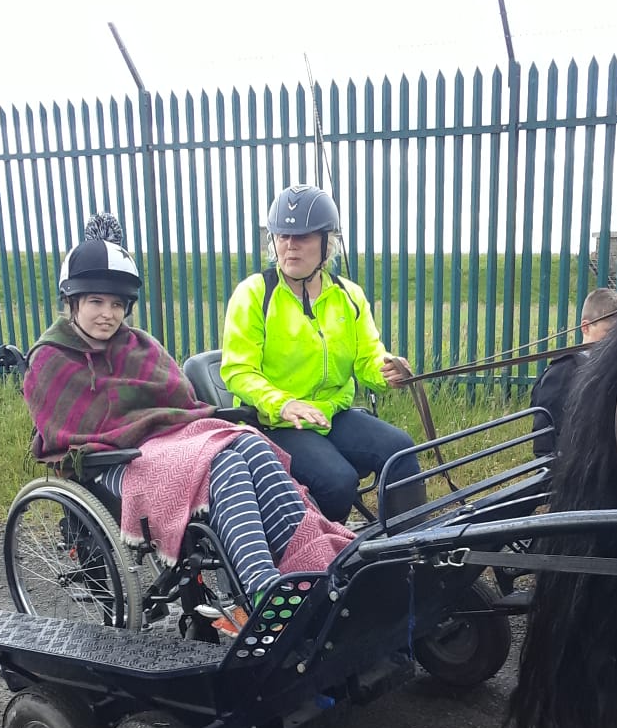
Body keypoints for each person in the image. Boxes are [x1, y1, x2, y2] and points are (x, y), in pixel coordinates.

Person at [22, 213, 354, 607]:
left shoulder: (140, 346)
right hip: (112, 460)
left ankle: (311, 562)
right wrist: (154, 434)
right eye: (96, 302)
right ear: (72, 302)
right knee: (223, 465)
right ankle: (260, 591)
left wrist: (191, 428)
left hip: (171, 441)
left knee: (253, 445)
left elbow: (179, 403)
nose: (108, 314)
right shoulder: (50, 358)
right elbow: (68, 429)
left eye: (117, 304)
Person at [220, 184, 426, 523]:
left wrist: (386, 369)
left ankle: (410, 553)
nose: (290, 245)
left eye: (302, 237)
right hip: (276, 423)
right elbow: (238, 370)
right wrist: (283, 403)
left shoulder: (348, 295)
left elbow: (367, 356)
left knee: (400, 448)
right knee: (337, 480)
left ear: (326, 243)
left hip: (333, 413)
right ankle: (318, 565)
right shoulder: (254, 294)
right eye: (283, 236)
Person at [529, 286, 617, 454]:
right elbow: (546, 439)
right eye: (609, 332)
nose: (615, 341)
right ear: (586, 327)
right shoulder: (563, 372)